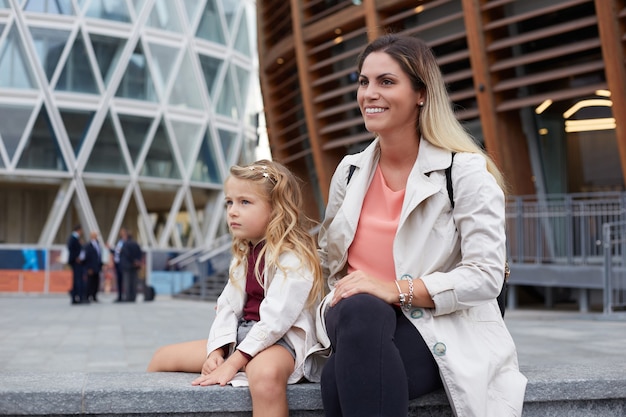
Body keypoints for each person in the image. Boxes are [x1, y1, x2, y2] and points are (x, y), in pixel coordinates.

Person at [316, 34, 527, 417]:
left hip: (435, 326)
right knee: (362, 309)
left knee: (338, 376)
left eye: (386, 82)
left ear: (421, 93)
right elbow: (326, 260)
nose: (370, 94)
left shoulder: (464, 171)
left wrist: (393, 290)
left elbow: (485, 275)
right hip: (353, 319)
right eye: (364, 82)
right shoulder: (349, 172)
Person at [147, 160, 326, 417]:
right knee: (162, 357)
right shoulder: (243, 255)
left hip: (279, 342)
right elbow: (227, 309)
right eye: (229, 202)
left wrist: (234, 362)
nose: (232, 211)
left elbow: (277, 320)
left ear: (276, 209)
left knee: (265, 377)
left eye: (245, 202)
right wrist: (216, 352)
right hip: (240, 337)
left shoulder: (294, 257)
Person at [119, 231, 142, 302]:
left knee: (127, 282)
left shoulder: (125, 244)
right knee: (134, 282)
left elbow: (127, 254)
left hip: (127, 266)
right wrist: (137, 261)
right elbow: (140, 253)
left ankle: (128, 297)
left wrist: (133, 261)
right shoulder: (136, 244)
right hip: (135, 267)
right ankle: (133, 297)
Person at [67, 224, 87, 305]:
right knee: (77, 280)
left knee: (77, 280)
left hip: (77, 262)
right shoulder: (73, 238)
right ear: (79, 230)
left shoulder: (76, 238)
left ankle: (75, 296)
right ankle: (77, 296)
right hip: (76, 262)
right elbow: (71, 248)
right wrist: (76, 258)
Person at [108, 227, 127, 302]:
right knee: (119, 280)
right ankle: (119, 296)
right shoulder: (119, 242)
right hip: (118, 264)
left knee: (124, 280)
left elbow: (126, 252)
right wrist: (110, 249)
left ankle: (125, 295)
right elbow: (116, 251)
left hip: (123, 264)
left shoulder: (126, 242)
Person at [84, 230, 103, 302]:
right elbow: (87, 257)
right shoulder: (88, 246)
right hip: (91, 268)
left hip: (97, 267)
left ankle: (94, 296)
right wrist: (89, 268)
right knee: (90, 282)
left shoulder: (98, 245)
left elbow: (99, 256)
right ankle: (88, 296)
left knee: (96, 282)